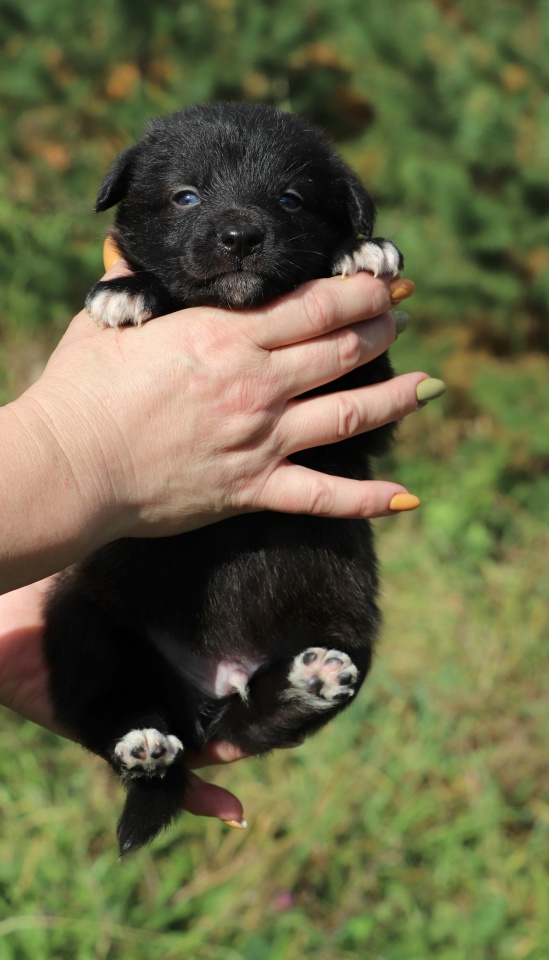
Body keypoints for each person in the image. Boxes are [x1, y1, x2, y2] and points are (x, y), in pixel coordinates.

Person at [0, 262, 444, 827]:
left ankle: (276, 700)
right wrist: (82, 452)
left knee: (334, 652)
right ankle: (166, 730)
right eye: (185, 198)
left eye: (290, 200)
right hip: (148, 634)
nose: (239, 231)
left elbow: (364, 428)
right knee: (90, 632)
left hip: (284, 626)